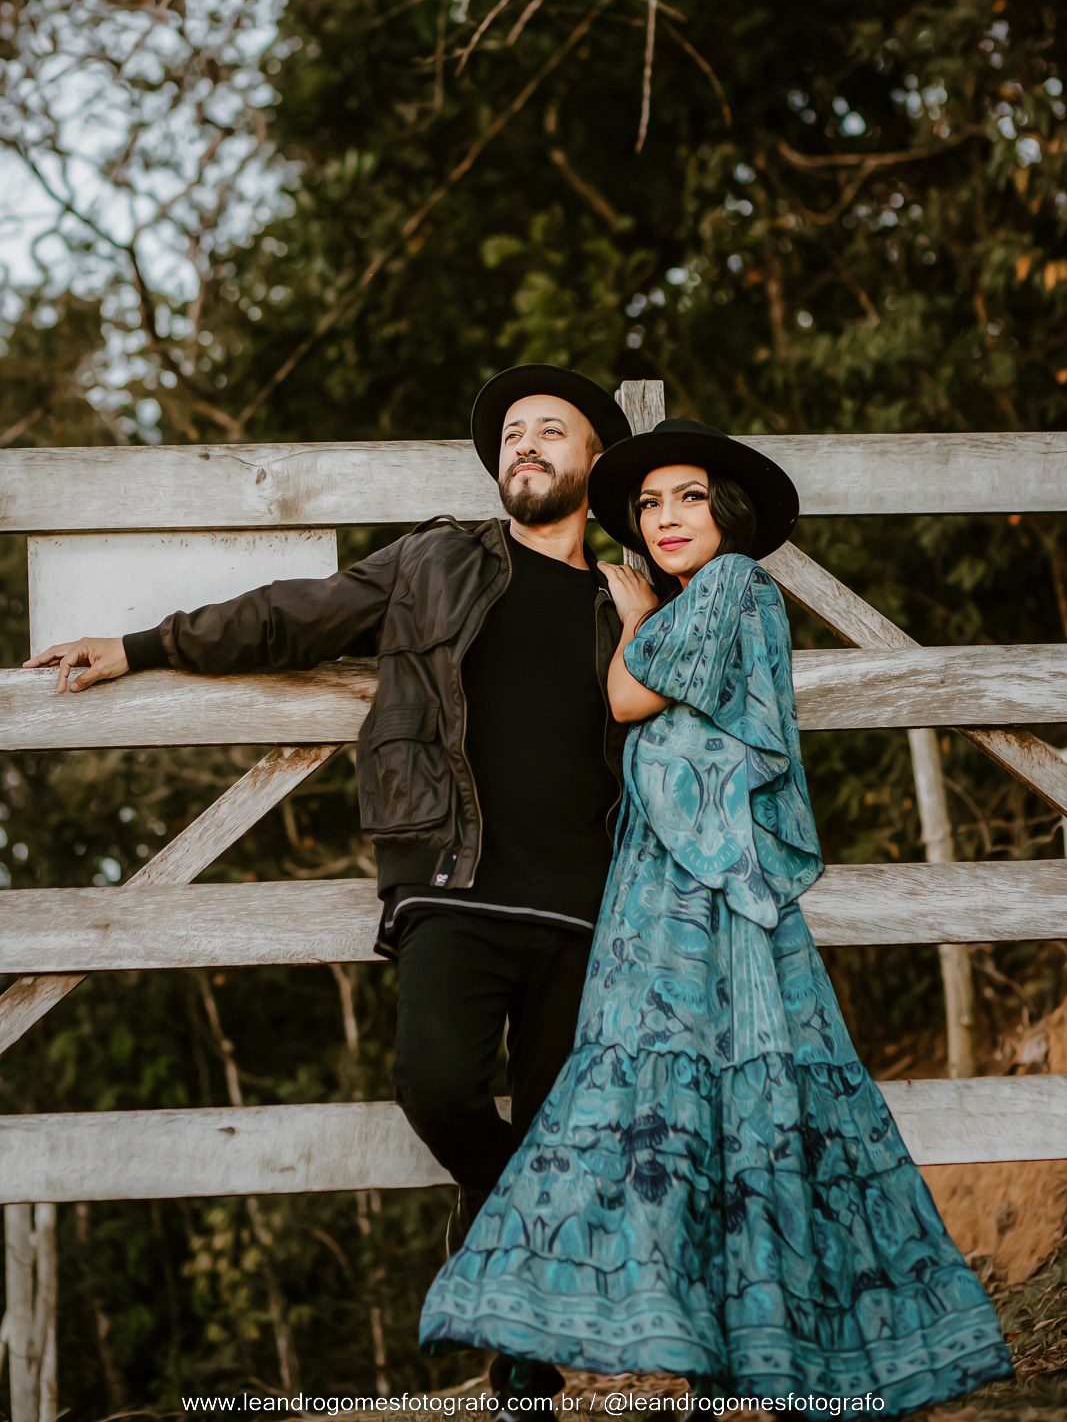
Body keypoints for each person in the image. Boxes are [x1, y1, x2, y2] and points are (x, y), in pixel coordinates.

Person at [23, 366, 634, 1400]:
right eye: (512, 434)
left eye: (550, 430)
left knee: (553, 1125)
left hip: (588, 904)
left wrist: (649, 613)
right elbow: (287, 616)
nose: (525, 444)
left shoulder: (625, 598)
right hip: (453, 881)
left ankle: (524, 1376)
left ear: (593, 461)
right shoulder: (434, 560)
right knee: (436, 1087)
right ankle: (512, 1217)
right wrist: (141, 645)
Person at [419, 418, 1012, 1415]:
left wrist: (629, 609)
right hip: (667, 881)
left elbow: (622, 697)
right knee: (699, 1105)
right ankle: (687, 1353)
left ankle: (723, 1353)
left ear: (726, 512)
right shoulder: (704, 601)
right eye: (649, 505)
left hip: (710, 888)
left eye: (686, 497)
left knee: (676, 1096)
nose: (664, 518)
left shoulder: (731, 584)